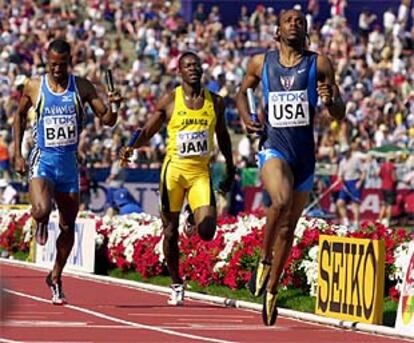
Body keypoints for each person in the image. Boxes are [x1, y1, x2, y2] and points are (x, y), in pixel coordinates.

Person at [235, 9, 345, 326]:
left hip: (305, 157)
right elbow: (243, 93)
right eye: (288, 21)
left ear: (306, 30)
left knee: (288, 227)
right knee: (279, 201)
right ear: (278, 30)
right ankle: (264, 258)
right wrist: (246, 117)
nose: (294, 24)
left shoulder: (319, 64)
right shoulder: (261, 62)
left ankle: (271, 290)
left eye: (300, 21)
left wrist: (330, 101)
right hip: (274, 148)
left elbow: (339, 111)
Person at [120, 51, 235, 306]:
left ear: (202, 70)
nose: (193, 69)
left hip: (199, 173)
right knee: (170, 233)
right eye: (188, 66)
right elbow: (149, 130)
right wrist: (131, 146)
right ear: (179, 72)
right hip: (173, 172)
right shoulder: (170, 100)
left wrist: (230, 164)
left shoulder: (215, 102)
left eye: (197, 65)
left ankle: (193, 214)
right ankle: (175, 283)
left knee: (207, 231)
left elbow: (223, 135)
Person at [13, 39, 121, 305]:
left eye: (62, 65)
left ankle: (56, 276)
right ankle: (39, 220)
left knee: (67, 225)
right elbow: (18, 116)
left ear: (69, 62)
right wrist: (17, 152)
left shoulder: (81, 86)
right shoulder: (35, 86)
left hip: (69, 164)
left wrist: (115, 105)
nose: (57, 70)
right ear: (46, 62)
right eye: (52, 65)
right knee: (40, 209)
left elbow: (107, 121)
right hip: (43, 158)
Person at [336, 141, 366, 229]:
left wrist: (360, 182)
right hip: (346, 184)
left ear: (349, 151)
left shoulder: (356, 160)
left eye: (345, 152)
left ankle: (356, 224)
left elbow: (363, 172)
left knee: (355, 204)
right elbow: (340, 174)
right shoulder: (342, 162)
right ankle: (346, 222)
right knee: (340, 203)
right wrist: (340, 178)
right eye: (343, 153)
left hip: (354, 182)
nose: (344, 154)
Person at [378, 155, 397, 226]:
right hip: (390, 187)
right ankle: (387, 221)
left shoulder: (383, 165)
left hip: (383, 187)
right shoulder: (392, 166)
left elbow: (379, 174)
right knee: (389, 206)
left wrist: (384, 179)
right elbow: (394, 178)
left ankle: (379, 220)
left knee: (383, 205)